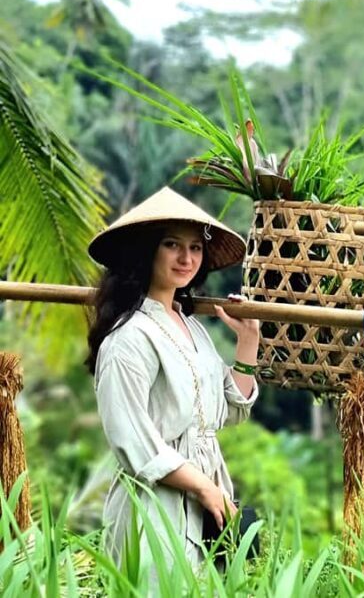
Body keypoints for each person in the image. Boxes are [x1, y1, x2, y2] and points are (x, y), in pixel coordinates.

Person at [85, 186, 260, 574]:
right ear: (147, 251)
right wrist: (202, 486)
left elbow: (228, 413)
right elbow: (132, 440)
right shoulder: (128, 339)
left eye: (196, 247)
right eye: (172, 244)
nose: (186, 258)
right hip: (153, 503)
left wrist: (248, 344)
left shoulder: (194, 329)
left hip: (207, 503)